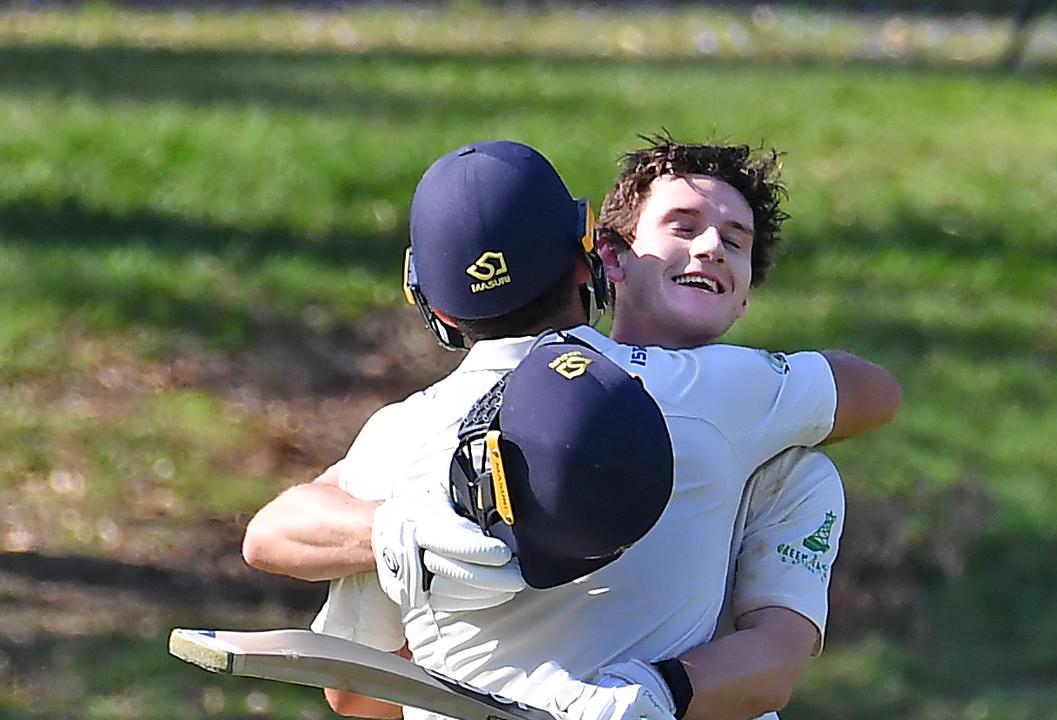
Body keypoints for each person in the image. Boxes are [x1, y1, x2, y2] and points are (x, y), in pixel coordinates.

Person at [242, 137, 900, 720]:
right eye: (683, 224)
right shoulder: (731, 398)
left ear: (432, 303)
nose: (709, 248)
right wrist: (650, 695)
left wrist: (400, 535)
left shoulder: (400, 441)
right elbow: (876, 391)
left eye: (734, 239)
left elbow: (354, 689)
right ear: (597, 257)